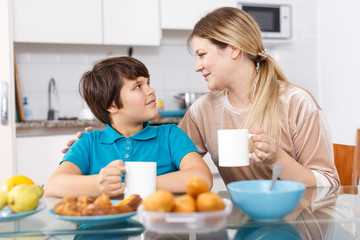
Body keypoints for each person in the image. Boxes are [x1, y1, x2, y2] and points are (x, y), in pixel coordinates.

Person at [62, 7, 339, 188]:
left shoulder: (296, 103)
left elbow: (329, 184)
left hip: (302, 224)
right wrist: (97, 142)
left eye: (202, 54)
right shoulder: (204, 110)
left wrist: (278, 158)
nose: (197, 66)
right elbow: (166, 155)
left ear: (233, 49)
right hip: (240, 223)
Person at [45, 57, 212, 198]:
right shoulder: (89, 142)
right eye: (138, 86)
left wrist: (136, 184)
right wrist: (100, 184)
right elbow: (53, 186)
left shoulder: (170, 135)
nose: (151, 90)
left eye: (148, 83)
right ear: (111, 105)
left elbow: (202, 178)